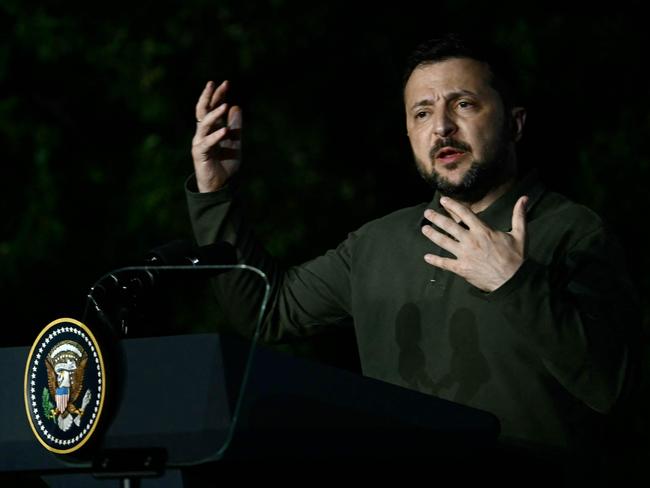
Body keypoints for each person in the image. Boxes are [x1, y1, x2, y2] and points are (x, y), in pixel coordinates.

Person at [184, 34, 639, 464]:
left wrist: (515, 282)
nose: (442, 126)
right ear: (408, 134)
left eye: (464, 104)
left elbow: (610, 390)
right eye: (422, 113)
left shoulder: (573, 231)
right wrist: (215, 192)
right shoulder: (377, 244)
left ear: (514, 123)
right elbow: (266, 310)